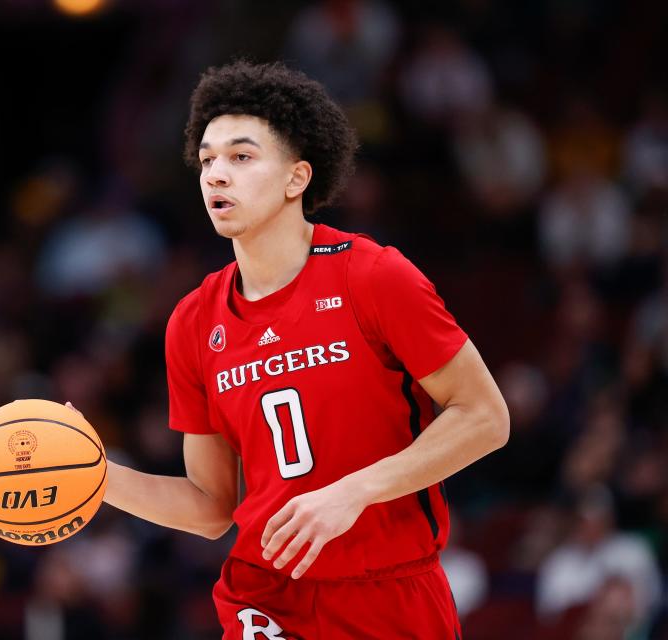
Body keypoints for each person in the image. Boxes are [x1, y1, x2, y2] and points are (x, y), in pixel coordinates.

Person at [73, 60, 510, 639]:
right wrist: (96, 477)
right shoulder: (193, 321)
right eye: (207, 160)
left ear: (296, 178)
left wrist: (354, 492)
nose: (216, 176)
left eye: (241, 157)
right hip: (267, 596)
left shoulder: (375, 277)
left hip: (391, 592)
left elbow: (486, 417)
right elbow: (210, 506)